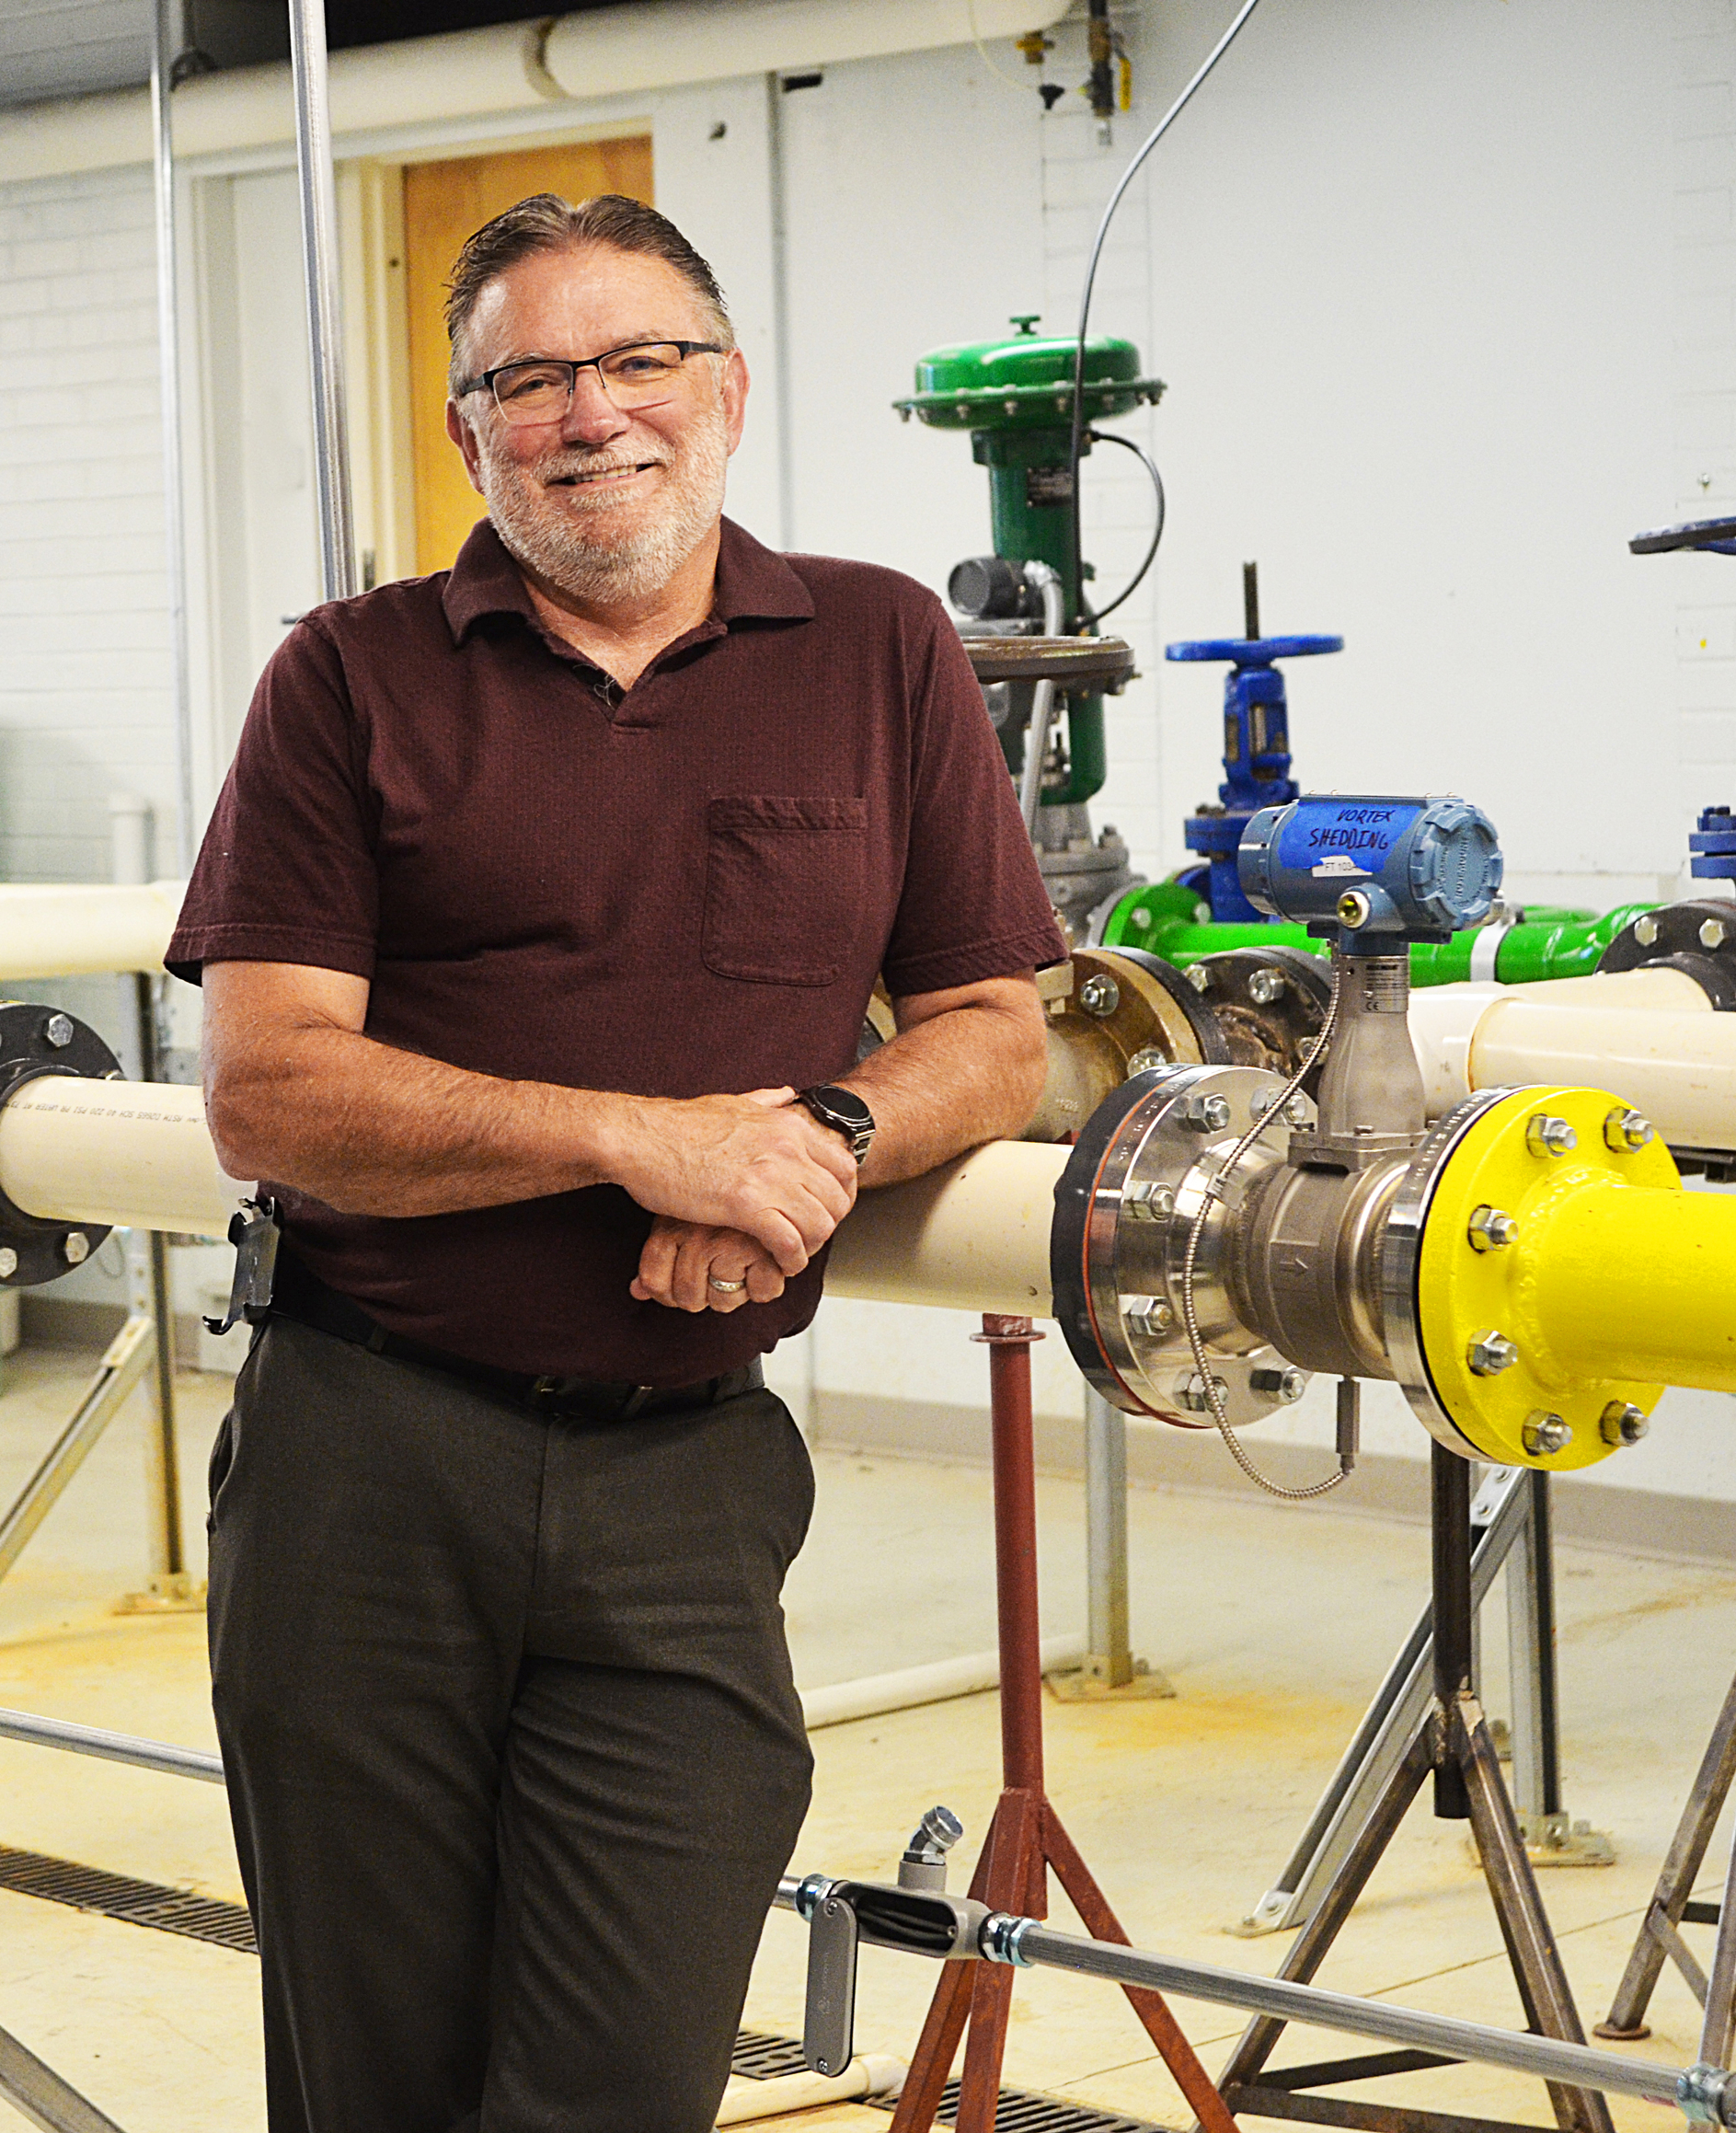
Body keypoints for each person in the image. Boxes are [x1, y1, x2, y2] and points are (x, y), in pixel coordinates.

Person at [165, 193, 1065, 2133]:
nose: (594, 413)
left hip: (684, 1479)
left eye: (639, 359)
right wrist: (642, 1144)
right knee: (374, 2078)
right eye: (530, 377)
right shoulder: (348, 677)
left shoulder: (879, 647)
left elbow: (999, 1028)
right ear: (469, 433)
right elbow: (269, 1092)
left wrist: (811, 1144)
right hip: (367, 1459)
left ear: (726, 390)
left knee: (626, 2076)